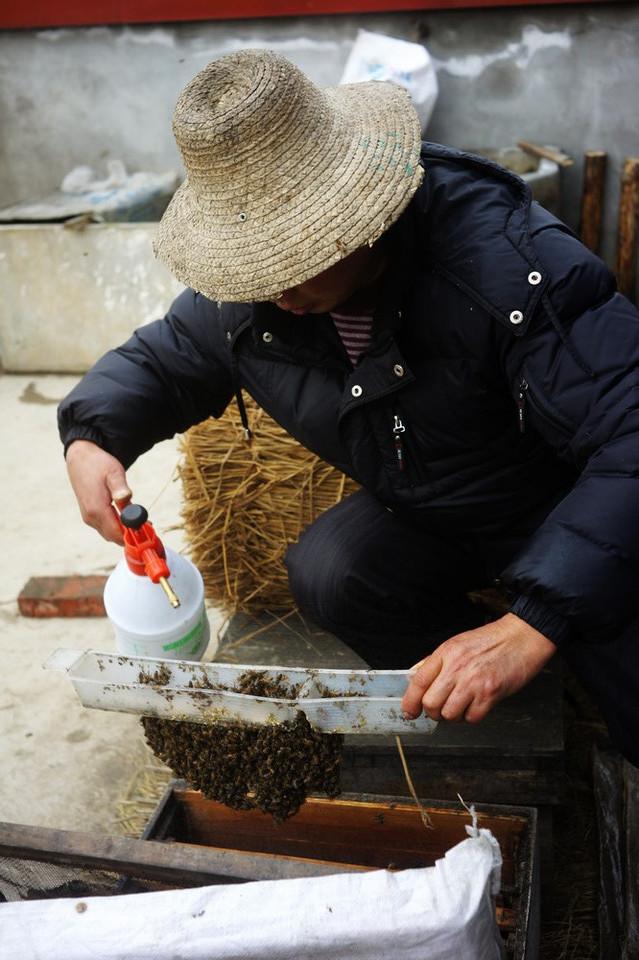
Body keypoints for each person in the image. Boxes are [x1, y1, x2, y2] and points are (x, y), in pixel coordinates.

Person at [59, 49, 639, 765]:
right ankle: (508, 714)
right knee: (334, 572)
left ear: (360, 211)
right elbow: (167, 354)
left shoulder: (508, 266)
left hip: (563, 500)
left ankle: (553, 660)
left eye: (292, 255)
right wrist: (91, 435)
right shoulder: (260, 294)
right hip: (439, 501)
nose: (274, 289)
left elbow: (630, 437)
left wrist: (534, 622)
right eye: (253, 262)